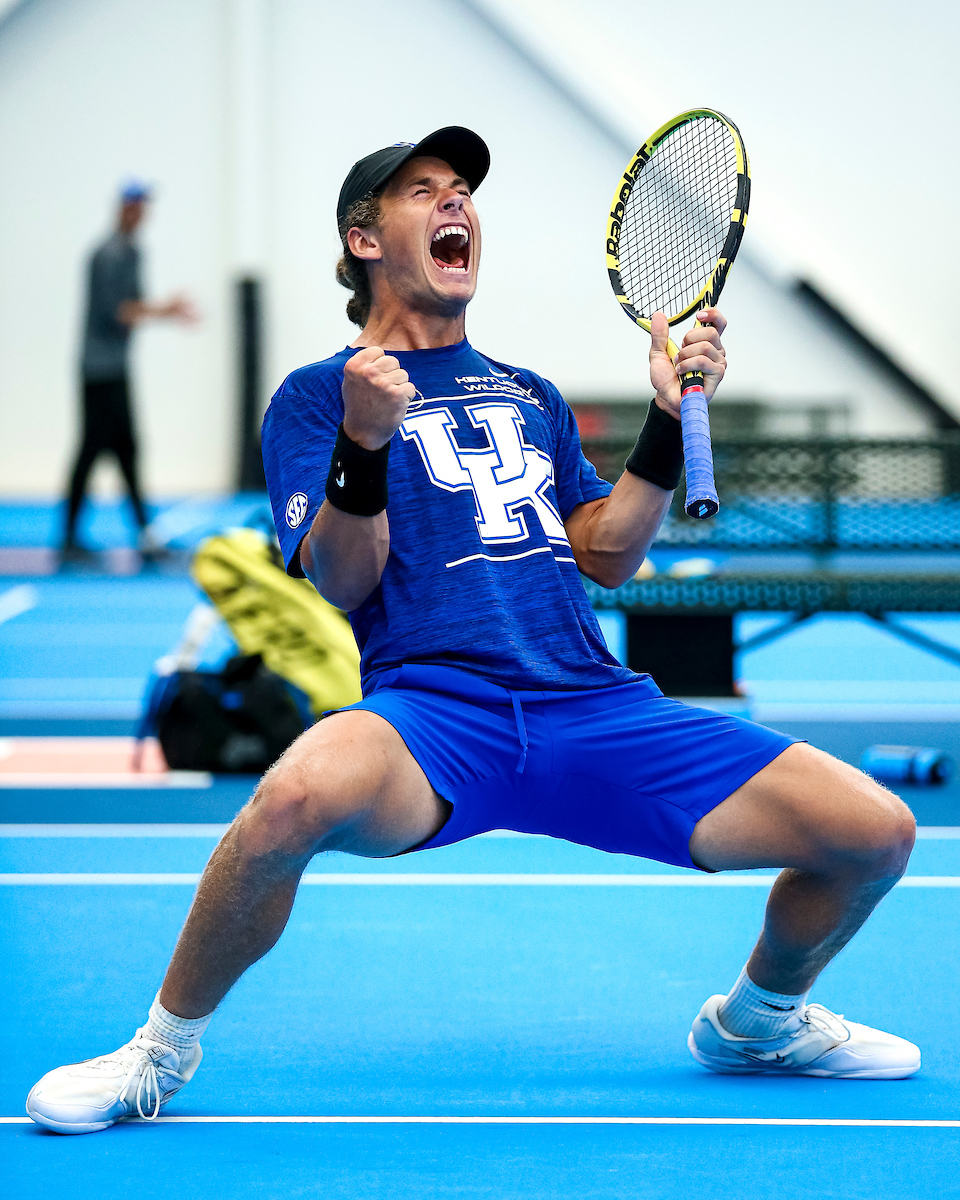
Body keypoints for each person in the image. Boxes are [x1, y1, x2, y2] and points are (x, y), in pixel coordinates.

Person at [27, 127, 919, 1134]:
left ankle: (759, 1022)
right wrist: (363, 441)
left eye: (462, 189)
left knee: (876, 834)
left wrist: (669, 421)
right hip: (435, 715)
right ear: (364, 239)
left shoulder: (529, 393)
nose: (456, 203)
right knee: (289, 802)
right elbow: (344, 577)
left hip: (593, 707)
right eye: (423, 190)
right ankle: (156, 1052)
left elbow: (607, 552)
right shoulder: (317, 398)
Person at [62, 181, 196, 560]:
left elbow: (130, 308)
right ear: (123, 208)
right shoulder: (109, 255)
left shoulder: (131, 252)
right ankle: (74, 537)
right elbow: (119, 312)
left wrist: (160, 312)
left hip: (114, 366)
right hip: (99, 370)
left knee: (123, 449)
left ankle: (139, 534)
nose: (141, 213)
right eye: (136, 206)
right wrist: (167, 311)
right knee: (96, 449)